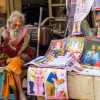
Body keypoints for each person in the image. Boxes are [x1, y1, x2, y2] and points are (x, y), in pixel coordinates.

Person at [0, 11, 35, 100]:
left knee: (15, 61)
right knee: (13, 64)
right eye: (14, 25)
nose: (17, 28)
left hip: (19, 60)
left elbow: (25, 53)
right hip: (7, 60)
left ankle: (16, 94)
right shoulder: (3, 32)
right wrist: (4, 40)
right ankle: (20, 93)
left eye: (19, 25)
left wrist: (23, 55)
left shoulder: (24, 35)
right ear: (9, 23)